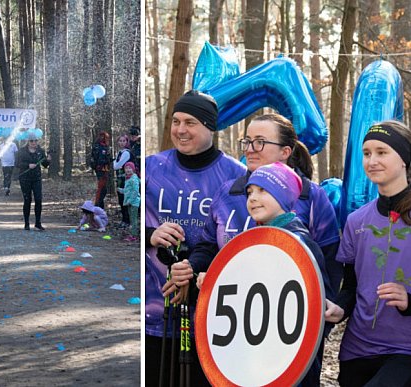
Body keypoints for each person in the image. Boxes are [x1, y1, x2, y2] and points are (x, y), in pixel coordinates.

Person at [170, 113, 342, 296]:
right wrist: (191, 267)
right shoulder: (227, 192)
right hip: (231, 313)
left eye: (260, 142)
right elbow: (208, 247)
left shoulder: (311, 195)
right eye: (247, 141)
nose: (250, 149)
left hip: (289, 314)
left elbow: (329, 262)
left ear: (285, 152)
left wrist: (324, 314)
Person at [145, 90, 247, 386]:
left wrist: (195, 272)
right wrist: (151, 235)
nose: (180, 130)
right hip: (154, 315)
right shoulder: (152, 167)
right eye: (176, 121)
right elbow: (127, 220)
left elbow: (238, 246)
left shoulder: (236, 177)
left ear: (210, 127)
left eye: (190, 122)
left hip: (210, 319)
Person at [325, 121, 411, 387]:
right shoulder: (356, 220)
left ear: (405, 160)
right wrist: (339, 307)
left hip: (404, 351)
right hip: (356, 350)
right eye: (367, 153)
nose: (372, 160)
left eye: (382, 152)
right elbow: (352, 285)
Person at [238, 162, 335, 386]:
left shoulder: (301, 242)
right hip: (258, 352)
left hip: (291, 358)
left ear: (283, 195)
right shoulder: (252, 239)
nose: (252, 197)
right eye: (249, 191)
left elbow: (321, 302)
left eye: (262, 190)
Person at [16, 133, 50, 230]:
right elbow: (17, 164)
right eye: (31, 141)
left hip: (36, 178)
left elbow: (45, 165)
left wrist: (48, 160)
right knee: (27, 200)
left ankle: (38, 223)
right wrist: (28, 165)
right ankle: (26, 223)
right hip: (25, 178)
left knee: (38, 199)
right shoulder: (22, 151)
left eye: (35, 141)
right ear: (28, 141)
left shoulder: (40, 151)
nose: (34, 143)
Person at [113, 134, 133, 227]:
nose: (122, 143)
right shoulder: (119, 153)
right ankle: (124, 220)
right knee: (121, 200)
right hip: (120, 179)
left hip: (126, 180)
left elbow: (116, 166)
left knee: (126, 199)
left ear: (127, 142)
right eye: (120, 141)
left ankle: (128, 220)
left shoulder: (126, 153)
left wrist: (114, 162)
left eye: (124, 141)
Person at [90, 131, 112, 208]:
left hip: (105, 170)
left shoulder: (107, 147)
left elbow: (108, 158)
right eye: (101, 136)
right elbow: (94, 158)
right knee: (102, 188)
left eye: (104, 137)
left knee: (103, 189)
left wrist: (110, 161)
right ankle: (98, 204)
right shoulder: (97, 146)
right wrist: (96, 167)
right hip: (100, 170)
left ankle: (99, 205)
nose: (102, 138)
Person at [122, 162, 140, 242]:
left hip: (133, 203)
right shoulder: (128, 178)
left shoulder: (134, 179)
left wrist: (130, 200)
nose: (128, 170)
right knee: (131, 219)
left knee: (133, 220)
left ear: (133, 169)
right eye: (126, 168)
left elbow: (135, 191)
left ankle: (134, 235)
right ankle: (132, 234)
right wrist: (121, 190)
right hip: (129, 202)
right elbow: (127, 190)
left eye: (130, 168)